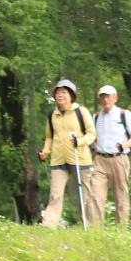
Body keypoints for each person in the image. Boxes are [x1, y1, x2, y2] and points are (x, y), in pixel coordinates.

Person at [38, 79, 96, 226]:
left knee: (85, 196)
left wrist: (80, 142)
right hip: (58, 160)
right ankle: (48, 226)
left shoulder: (80, 112)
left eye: (64, 92)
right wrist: (45, 152)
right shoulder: (52, 115)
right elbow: (49, 137)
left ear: (71, 95)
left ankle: (90, 227)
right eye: (57, 93)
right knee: (55, 195)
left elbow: (91, 134)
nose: (60, 95)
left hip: (80, 159)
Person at [90, 84, 131, 226]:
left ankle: (121, 228)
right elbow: (92, 137)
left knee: (121, 195)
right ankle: (95, 229)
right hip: (100, 159)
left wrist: (124, 145)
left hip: (119, 158)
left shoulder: (124, 114)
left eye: (108, 96)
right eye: (103, 97)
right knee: (96, 195)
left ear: (115, 98)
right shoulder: (96, 117)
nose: (105, 99)